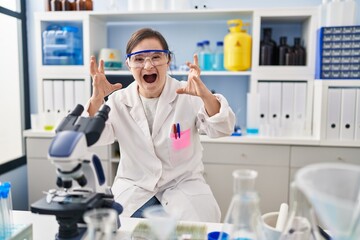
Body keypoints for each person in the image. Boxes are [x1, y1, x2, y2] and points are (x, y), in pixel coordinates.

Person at [87, 28, 235, 222]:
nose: (148, 65)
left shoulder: (186, 94)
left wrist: (205, 95)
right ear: (129, 64)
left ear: (168, 61)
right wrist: (96, 100)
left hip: (183, 186)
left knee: (196, 231)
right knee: (115, 230)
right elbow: (90, 137)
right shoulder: (118, 101)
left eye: (156, 57)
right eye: (139, 59)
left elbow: (222, 128)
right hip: (135, 188)